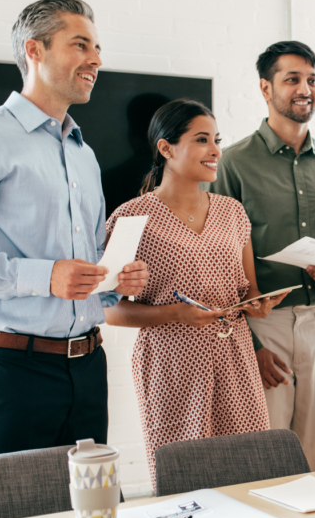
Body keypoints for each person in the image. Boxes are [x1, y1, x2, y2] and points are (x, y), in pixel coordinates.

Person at [0, 0, 149, 459]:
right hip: (7, 374)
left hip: (87, 369)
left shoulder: (84, 152)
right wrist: (47, 276)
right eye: (80, 45)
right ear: (34, 51)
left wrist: (115, 283)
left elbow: (84, 267)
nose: (96, 60)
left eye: (97, 48)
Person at [104, 99, 285, 489]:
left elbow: (247, 289)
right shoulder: (131, 218)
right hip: (170, 364)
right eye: (202, 140)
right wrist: (175, 314)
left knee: (250, 474)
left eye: (216, 140)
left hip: (236, 357)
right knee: (184, 480)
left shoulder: (233, 212)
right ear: (166, 149)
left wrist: (258, 304)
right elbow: (108, 310)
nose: (216, 150)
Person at [210, 41, 315, 470]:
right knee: (265, 460)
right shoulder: (231, 165)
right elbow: (219, 263)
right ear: (265, 88)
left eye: (312, 80)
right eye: (292, 79)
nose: (305, 89)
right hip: (265, 326)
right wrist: (251, 346)